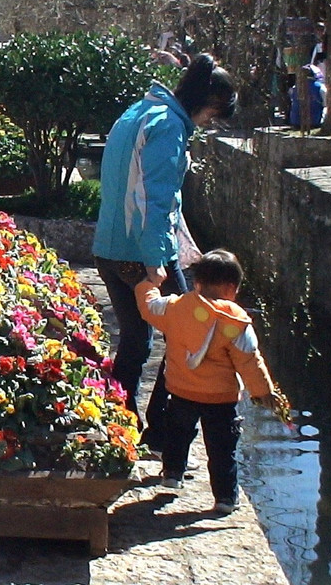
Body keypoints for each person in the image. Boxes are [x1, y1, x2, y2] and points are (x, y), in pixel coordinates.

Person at [93, 54, 237, 451]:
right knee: (187, 335)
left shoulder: (142, 109)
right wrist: (156, 261)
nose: (209, 122)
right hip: (141, 250)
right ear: (205, 103)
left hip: (110, 246)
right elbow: (157, 199)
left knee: (136, 337)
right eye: (213, 114)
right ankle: (161, 432)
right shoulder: (171, 127)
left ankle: (119, 420)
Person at [135, 250, 284, 514]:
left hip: (180, 391)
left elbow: (149, 307)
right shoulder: (236, 322)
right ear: (231, 288)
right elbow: (250, 362)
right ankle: (225, 499)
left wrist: (148, 285)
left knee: (178, 434)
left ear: (196, 283)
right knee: (222, 448)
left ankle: (172, 473)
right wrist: (264, 393)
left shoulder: (175, 307)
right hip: (221, 399)